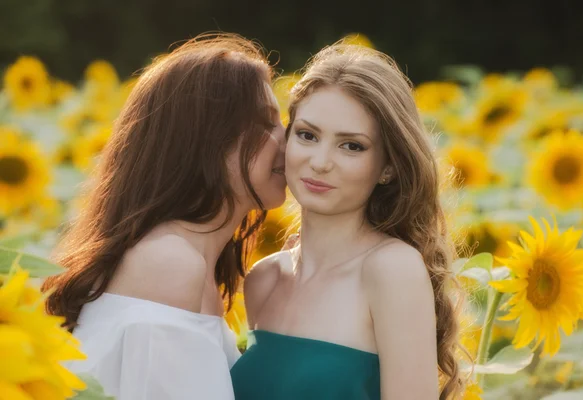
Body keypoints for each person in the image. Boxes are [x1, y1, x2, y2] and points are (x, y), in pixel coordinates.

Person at [42, 33, 287, 400]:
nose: (288, 140)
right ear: (206, 137)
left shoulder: (184, 260)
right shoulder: (170, 264)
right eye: (268, 123)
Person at [231, 43, 464, 400]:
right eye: (308, 135)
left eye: (351, 146)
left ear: (388, 167)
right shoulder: (264, 280)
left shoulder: (391, 269)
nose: (320, 162)